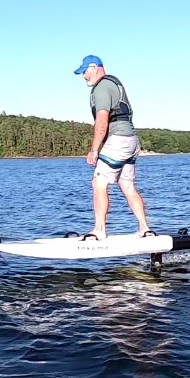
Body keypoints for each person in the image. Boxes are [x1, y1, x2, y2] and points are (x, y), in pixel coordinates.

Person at [73, 55, 153, 241]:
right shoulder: (115, 84)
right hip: (132, 140)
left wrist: (94, 149)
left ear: (95, 68)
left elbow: (102, 121)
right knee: (127, 185)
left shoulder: (101, 87)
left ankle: (99, 230)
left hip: (118, 141)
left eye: (85, 71)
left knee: (98, 183)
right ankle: (145, 229)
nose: (84, 76)